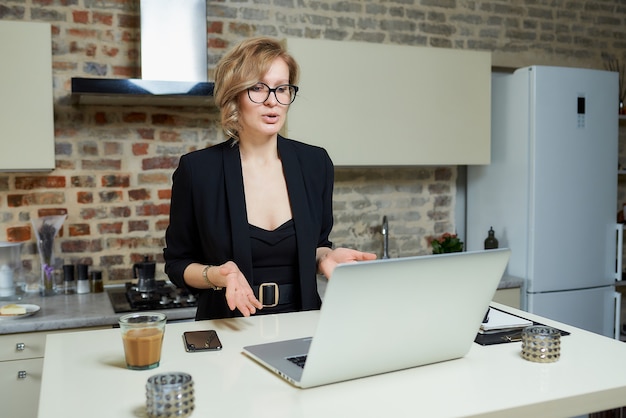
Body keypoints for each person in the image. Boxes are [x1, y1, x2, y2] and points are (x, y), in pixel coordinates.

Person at [163, 36, 376, 320]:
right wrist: (216, 275)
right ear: (234, 95)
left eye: (282, 89)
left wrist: (324, 257)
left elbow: (318, 244)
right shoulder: (197, 170)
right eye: (258, 88)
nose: (272, 101)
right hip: (229, 327)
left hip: (304, 323)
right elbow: (177, 264)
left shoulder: (316, 164)